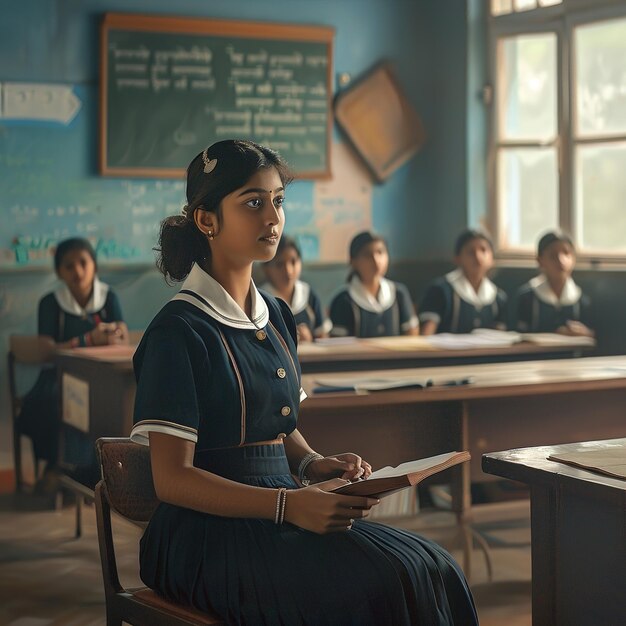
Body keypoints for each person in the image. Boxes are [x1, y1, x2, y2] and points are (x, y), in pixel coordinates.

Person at [130, 140, 477, 625]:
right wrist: (286, 505)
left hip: (284, 502)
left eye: (278, 201)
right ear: (207, 220)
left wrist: (313, 463)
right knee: (376, 586)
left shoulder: (275, 316)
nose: (271, 218)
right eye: (252, 203)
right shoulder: (178, 331)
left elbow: (277, 425)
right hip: (204, 535)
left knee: (433, 568)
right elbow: (172, 480)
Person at [18, 237, 128, 489]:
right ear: (59, 272)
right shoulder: (51, 303)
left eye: (83, 263)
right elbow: (46, 352)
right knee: (50, 403)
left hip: (101, 377)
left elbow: (121, 331)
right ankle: (60, 467)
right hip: (58, 376)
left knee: (116, 403)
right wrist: (88, 339)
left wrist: (115, 333)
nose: (77, 271)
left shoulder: (108, 297)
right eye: (69, 266)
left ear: (94, 266)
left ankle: (99, 471)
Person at [328, 231, 419, 338]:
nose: (376, 261)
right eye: (367, 255)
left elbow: (412, 335)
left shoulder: (399, 293)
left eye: (380, 252)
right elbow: (339, 346)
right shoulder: (343, 300)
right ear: (353, 261)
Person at [419, 229, 507, 335]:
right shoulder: (441, 290)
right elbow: (426, 335)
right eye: (470, 252)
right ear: (457, 258)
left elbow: (500, 337)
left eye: (483, 250)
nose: (478, 257)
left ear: (492, 259)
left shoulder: (498, 297)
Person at [515, 231, 593, 336]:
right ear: (540, 260)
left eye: (566, 253)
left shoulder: (581, 300)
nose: (561, 260)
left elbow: (593, 336)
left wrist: (586, 333)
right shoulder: (527, 297)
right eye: (553, 255)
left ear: (574, 259)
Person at [260, 235, 331, 342]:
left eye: (293, 262)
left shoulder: (308, 295)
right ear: (266, 268)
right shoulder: (260, 299)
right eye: (279, 264)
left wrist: (309, 339)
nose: (288, 271)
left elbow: (323, 336)